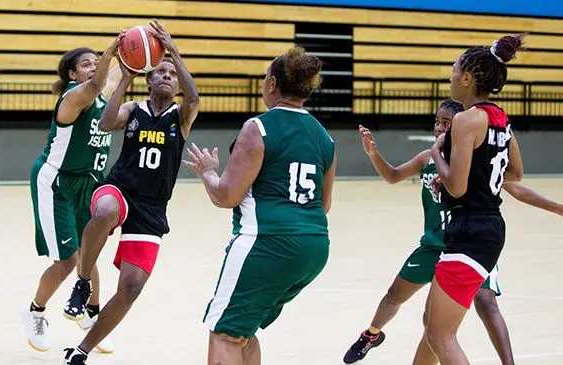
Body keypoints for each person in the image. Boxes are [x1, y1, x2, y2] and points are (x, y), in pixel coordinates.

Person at [343, 99, 563, 364]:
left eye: (447, 123)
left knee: (484, 304)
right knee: (407, 305)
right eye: (437, 121)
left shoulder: (472, 161)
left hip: (467, 245)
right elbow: (392, 176)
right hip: (436, 244)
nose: (439, 127)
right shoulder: (427, 157)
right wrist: (374, 154)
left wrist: (557, 207)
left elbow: (516, 186)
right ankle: (371, 335)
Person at [184, 46, 337, 365]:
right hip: (314, 247)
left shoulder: (260, 127)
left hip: (266, 243)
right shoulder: (325, 138)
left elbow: (226, 197)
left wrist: (208, 172)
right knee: (243, 330)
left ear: (271, 84)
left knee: (224, 333)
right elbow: (323, 206)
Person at [60, 19, 199, 365]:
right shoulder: (134, 109)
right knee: (104, 212)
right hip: (119, 189)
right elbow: (106, 124)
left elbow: (193, 97)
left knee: (131, 288)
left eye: (172, 73)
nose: (167, 76)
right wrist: (125, 77)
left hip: (152, 208)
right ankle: (82, 283)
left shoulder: (180, 116)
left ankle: (81, 351)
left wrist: (175, 53)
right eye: (161, 71)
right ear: (149, 78)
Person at [413, 34, 526, 365]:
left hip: (469, 230)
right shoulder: (500, 119)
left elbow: (456, 188)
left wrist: (438, 154)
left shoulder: (465, 120)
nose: (450, 76)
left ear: (466, 78)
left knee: (440, 335)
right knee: (433, 325)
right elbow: (515, 173)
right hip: (490, 228)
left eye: (453, 70)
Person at [21, 35, 124, 353]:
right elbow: (98, 84)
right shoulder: (73, 97)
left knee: (90, 251)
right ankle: (35, 312)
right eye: (86, 64)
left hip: (89, 184)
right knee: (68, 261)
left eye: (97, 61)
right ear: (72, 75)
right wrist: (108, 55)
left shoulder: (102, 99)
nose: (94, 67)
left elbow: (119, 74)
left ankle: (90, 314)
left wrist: (138, 47)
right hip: (57, 184)